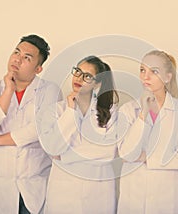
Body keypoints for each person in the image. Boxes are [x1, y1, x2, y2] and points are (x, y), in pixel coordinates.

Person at [0, 34, 62, 214]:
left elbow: (38, 130)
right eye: (17, 52)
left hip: (34, 185)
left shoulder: (50, 91)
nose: (17, 59)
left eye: (26, 58)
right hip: (2, 186)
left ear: (38, 68)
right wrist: (8, 91)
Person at [117, 50, 178, 214]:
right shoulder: (128, 110)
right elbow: (126, 153)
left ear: (168, 77)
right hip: (134, 198)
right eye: (142, 70)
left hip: (168, 199)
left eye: (154, 71)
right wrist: (143, 115)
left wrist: (147, 157)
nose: (145, 77)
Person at [37, 56, 119, 214]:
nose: (79, 78)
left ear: (97, 83)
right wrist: (70, 111)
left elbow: (108, 153)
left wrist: (66, 157)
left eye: (87, 76)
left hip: (99, 192)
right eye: (78, 72)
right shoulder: (55, 111)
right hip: (64, 193)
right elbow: (53, 148)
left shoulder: (110, 112)